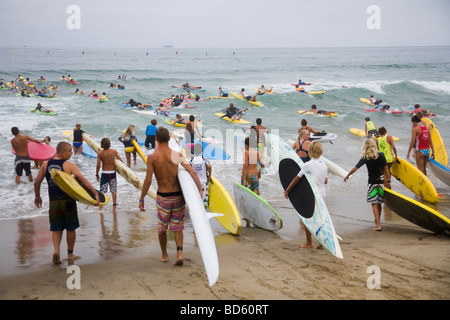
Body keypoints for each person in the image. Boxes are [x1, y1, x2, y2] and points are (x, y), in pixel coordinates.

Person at [139, 127, 202, 266]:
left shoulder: (152, 158)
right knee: (178, 226)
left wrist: (142, 198)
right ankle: (179, 253)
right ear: (169, 138)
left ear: (155, 139)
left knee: (162, 227)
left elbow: (148, 180)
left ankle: (165, 255)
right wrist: (200, 190)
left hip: (163, 197)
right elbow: (192, 172)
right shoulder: (176, 154)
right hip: (177, 196)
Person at [34, 141, 100, 264]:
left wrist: (37, 196)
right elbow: (83, 181)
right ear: (63, 152)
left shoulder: (45, 164)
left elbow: (37, 182)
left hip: (54, 202)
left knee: (56, 229)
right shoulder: (69, 165)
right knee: (70, 228)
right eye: (69, 151)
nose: (71, 153)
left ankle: (56, 251)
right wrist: (95, 193)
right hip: (68, 202)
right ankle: (70, 254)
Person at [284, 141, 328, 248]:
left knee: (307, 218)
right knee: (319, 218)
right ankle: (321, 241)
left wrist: (287, 190)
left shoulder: (308, 164)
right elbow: (326, 181)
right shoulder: (324, 163)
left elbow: (297, 178)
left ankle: (309, 243)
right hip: (322, 194)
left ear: (310, 151)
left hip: (312, 194)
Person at [344, 139, 391, 231]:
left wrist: (348, 175)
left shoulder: (366, 157)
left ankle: (378, 225)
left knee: (374, 203)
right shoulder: (381, 155)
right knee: (379, 203)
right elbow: (386, 168)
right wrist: (388, 179)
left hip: (372, 183)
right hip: (381, 182)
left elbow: (355, 168)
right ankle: (378, 221)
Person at [96, 138, 123, 212]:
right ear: (109, 143)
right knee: (113, 190)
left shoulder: (100, 153)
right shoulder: (114, 151)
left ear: (102, 144)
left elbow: (98, 165)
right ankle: (114, 206)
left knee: (102, 191)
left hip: (104, 174)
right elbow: (121, 161)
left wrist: (96, 174)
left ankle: (101, 206)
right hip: (112, 173)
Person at [190, 143, 212, 207]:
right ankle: (203, 207)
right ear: (202, 150)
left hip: (195, 181)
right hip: (203, 181)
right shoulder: (204, 159)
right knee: (203, 195)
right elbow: (209, 166)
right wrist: (209, 175)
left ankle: (195, 206)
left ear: (193, 151)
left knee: (195, 195)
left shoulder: (192, 160)